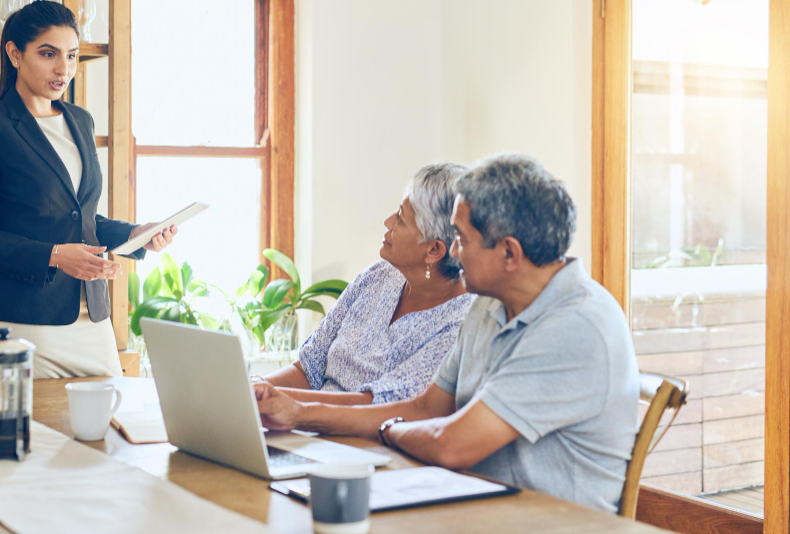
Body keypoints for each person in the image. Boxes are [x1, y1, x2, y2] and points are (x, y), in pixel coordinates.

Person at [253, 154, 639, 513]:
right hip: (472, 502)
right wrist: (300, 411)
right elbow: (426, 408)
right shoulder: (490, 302)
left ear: (509, 253)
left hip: (541, 520)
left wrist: (388, 430)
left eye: (463, 239)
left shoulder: (576, 326)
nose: (453, 252)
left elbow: (450, 444)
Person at [0, 0, 176, 378]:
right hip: (22, 322)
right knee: (34, 437)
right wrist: (53, 255)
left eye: (71, 55)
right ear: (15, 54)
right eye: (48, 54)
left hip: (92, 319)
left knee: (105, 428)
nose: (63, 69)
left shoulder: (80, 121)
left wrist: (135, 235)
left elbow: (79, 218)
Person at [262, 163, 475, 404]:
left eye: (401, 219)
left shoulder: (461, 323)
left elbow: (378, 406)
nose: (388, 222)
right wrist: (256, 389)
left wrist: (286, 404)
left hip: (361, 437)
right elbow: (308, 368)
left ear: (434, 250)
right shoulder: (377, 276)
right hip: (302, 425)